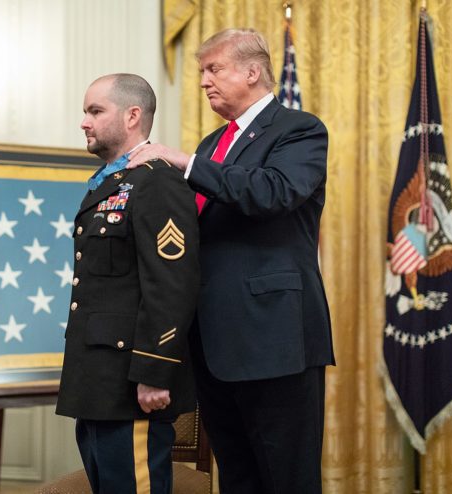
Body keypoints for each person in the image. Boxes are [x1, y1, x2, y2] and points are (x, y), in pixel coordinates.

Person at [127, 28, 334, 493]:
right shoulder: (210, 143)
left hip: (274, 337)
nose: (204, 81)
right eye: (202, 71)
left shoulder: (299, 130)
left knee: (287, 479)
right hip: (213, 342)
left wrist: (183, 163)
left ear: (252, 71)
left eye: (214, 69)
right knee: (237, 478)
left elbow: (273, 192)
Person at [55, 73, 200, 494]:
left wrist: (155, 370)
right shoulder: (111, 183)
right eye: (86, 111)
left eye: (95, 111)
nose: (84, 121)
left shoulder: (156, 180)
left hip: (132, 382)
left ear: (133, 115)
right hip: (98, 379)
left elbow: (172, 282)